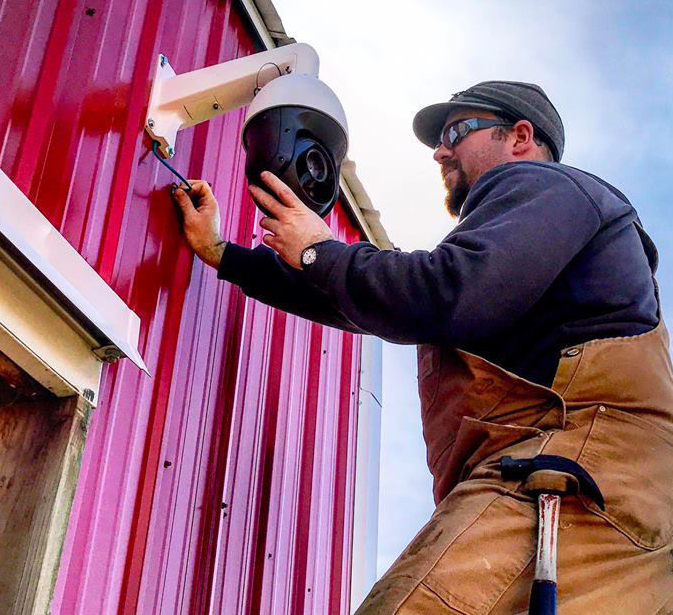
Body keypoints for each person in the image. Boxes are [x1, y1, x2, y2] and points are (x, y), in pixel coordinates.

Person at [173, 81, 673, 614]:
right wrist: (227, 255)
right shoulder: (526, 254)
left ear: (521, 137)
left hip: (572, 476)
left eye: (457, 131)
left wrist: (320, 252)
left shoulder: (544, 186)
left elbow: (444, 293)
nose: (440, 150)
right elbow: (371, 302)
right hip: (607, 506)